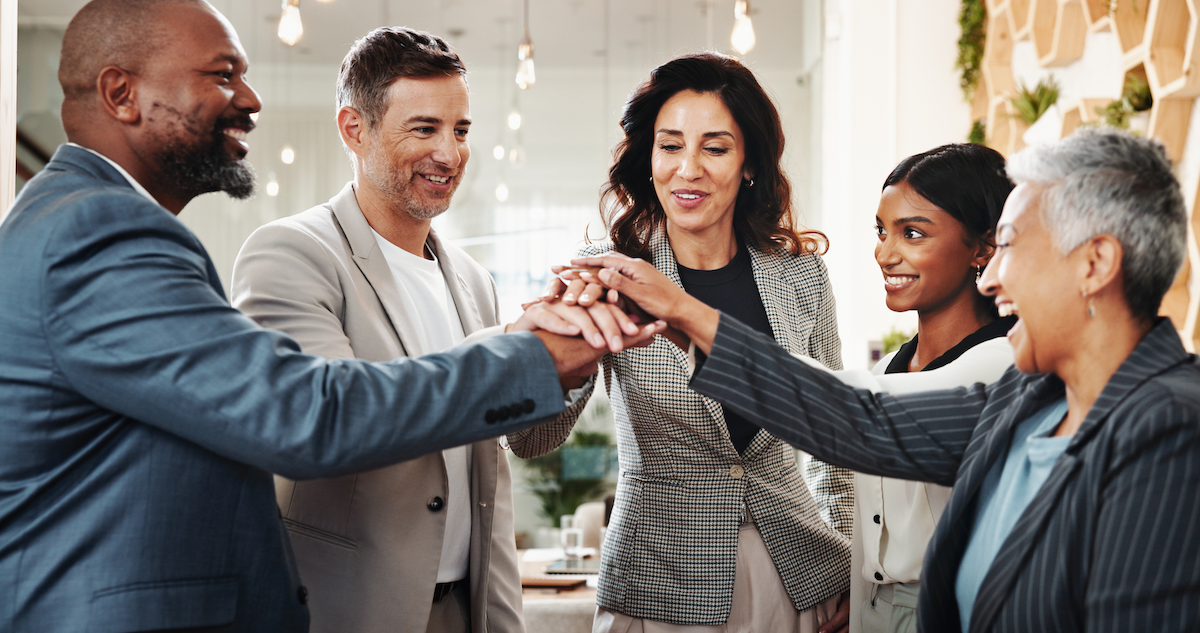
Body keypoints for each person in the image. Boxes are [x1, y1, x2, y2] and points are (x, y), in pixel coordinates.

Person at [0, 1, 660, 630]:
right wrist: (530, 353)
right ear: (121, 93)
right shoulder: (101, 233)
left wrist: (567, 349)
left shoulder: (88, 222)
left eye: (460, 130)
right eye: (223, 75)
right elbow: (309, 414)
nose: (250, 100)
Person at [576, 129, 1200, 631]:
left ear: (1095, 264)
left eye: (1009, 246)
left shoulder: (1167, 427)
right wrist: (684, 314)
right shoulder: (1028, 395)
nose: (991, 278)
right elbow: (861, 420)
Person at [230, 27, 620, 633]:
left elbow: (526, 442)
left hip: (472, 609)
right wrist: (516, 351)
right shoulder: (290, 253)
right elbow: (330, 423)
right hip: (350, 611)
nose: (450, 153)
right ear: (353, 130)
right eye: (424, 129)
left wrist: (574, 350)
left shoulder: (474, 280)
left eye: (460, 130)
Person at [514, 53, 853, 633]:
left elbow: (837, 434)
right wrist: (551, 361)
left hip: (801, 574)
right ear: (648, 160)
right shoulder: (612, 274)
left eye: (715, 148)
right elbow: (529, 440)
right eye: (670, 146)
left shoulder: (801, 276)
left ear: (749, 163)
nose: (688, 169)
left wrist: (851, 560)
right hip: (660, 580)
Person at [847, 144, 1015, 633]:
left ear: (983, 247)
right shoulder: (886, 374)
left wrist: (692, 321)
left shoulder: (1003, 365)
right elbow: (868, 534)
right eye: (881, 231)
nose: (884, 253)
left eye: (912, 233)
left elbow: (851, 408)